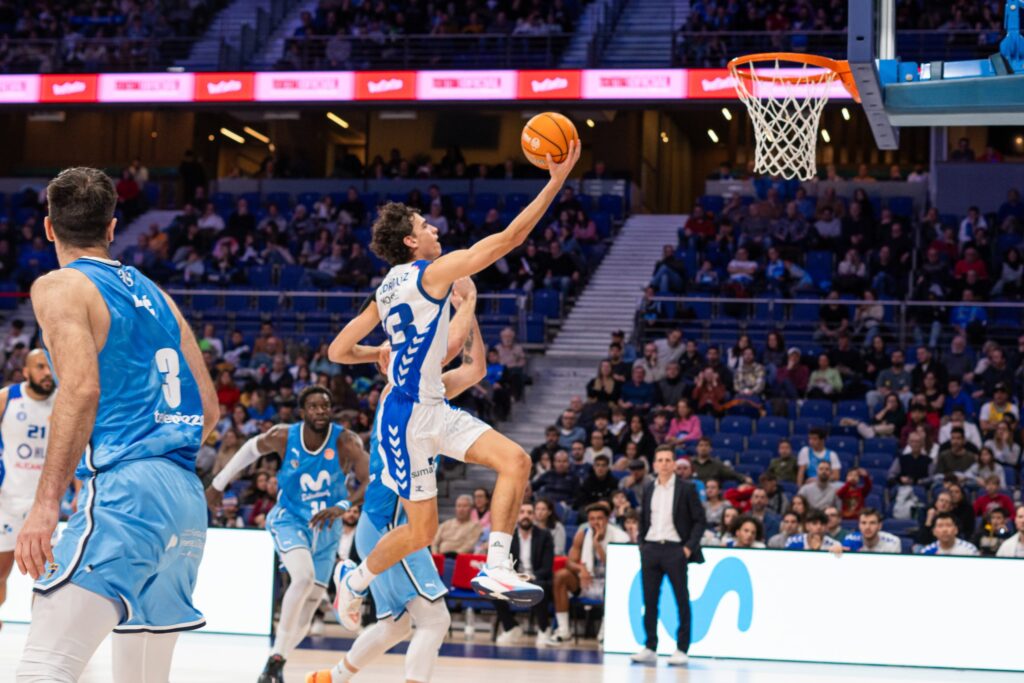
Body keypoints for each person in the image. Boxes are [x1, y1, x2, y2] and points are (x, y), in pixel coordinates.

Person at [327, 143, 580, 619]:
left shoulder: (384, 290)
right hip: (406, 419)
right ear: (410, 242)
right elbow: (507, 239)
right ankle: (354, 580)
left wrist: (377, 351)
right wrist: (555, 182)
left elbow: (337, 351)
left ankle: (496, 566)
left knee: (516, 461)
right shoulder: (430, 274)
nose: (435, 229)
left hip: (432, 406)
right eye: (425, 226)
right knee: (421, 531)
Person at [17, 168, 219, 682]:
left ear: (48, 227)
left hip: (127, 493)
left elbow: (81, 389)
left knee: (44, 669)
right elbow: (209, 409)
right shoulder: (160, 296)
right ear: (111, 228)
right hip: (184, 499)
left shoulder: (60, 285)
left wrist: (45, 505)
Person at [310, 302, 486, 683]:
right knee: (435, 620)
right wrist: (466, 300)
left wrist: (467, 308)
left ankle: (332, 677)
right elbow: (450, 348)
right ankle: (352, 579)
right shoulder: (400, 393)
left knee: (396, 625)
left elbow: (475, 369)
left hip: (385, 526)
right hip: (391, 526)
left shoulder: (430, 393)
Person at [208, 386, 369, 682]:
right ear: (302, 412)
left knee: (309, 607)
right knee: (303, 578)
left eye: (325, 406)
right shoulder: (284, 436)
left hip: (327, 529)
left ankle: (274, 662)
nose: (320, 411)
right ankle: (277, 659)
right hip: (290, 519)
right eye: (314, 406)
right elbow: (250, 449)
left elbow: (370, 479)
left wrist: (344, 505)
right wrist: (218, 484)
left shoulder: (345, 441)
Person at [630, 446, 705, 666]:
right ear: (654, 464)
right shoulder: (648, 487)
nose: (663, 464)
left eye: (667, 460)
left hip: (675, 550)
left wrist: (688, 548)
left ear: (674, 464)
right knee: (649, 600)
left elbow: (700, 520)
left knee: (681, 599)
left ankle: (682, 648)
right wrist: (642, 543)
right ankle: (650, 646)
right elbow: (644, 518)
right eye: (660, 460)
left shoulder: (687, 488)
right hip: (651, 549)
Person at [0, 350, 55, 624]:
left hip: (46, 505)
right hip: (7, 500)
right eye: (40, 367)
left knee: (47, 579)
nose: (47, 373)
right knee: (1, 573)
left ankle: (41, 632)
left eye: (50, 367)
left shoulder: (65, 402)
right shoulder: (6, 398)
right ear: (25, 372)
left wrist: (79, 490)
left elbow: (77, 450)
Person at [548, 502, 629, 645]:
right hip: (587, 582)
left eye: (599, 518)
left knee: (616, 584)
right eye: (592, 519)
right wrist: (581, 569)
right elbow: (569, 562)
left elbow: (619, 569)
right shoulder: (583, 534)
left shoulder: (621, 537)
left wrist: (598, 546)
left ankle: (606, 631)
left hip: (610, 584)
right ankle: (563, 630)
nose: (595, 522)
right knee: (561, 576)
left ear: (607, 519)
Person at [493, 502, 555, 646]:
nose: (525, 516)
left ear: (534, 516)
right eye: (522, 512)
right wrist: (514, 577)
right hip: (514, 578)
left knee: (539, 586)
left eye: (529, 512)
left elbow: (547, 567)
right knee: (494, 586)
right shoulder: (508, 537)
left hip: (536, 578)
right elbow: (503, 564)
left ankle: (544, 629)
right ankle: (511, 627)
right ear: (516, 516)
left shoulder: (544, 536)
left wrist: (529, 578)